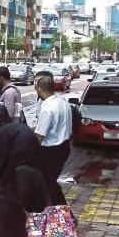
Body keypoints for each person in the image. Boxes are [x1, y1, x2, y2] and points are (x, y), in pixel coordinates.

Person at [34, 74, 73, 205]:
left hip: (50, 150)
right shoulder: (63, 102)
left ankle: (61, 212)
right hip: (64, 147)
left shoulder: (47, 108)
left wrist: (31, 150)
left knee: (47, 182)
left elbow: (40, 135)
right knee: (50, 181)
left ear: (39, 89)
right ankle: (59, 210)